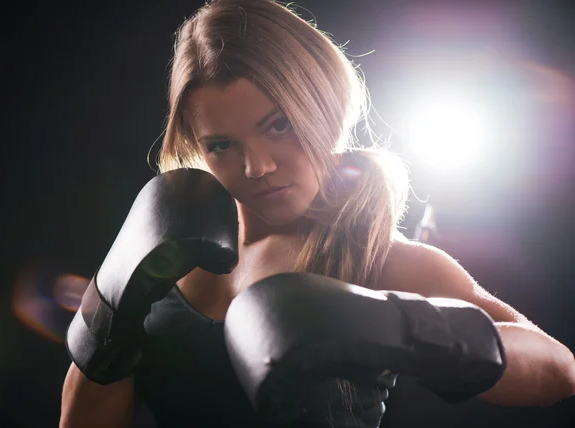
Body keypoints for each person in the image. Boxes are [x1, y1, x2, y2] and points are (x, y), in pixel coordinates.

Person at [59, 1, 575, 427]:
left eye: (279, 124)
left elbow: (557, 368)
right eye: (221, 145)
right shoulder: (163, 251)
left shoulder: (376, 257)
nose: (258, 166)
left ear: (323, 106)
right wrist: (107, 326)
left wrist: (400, 327)